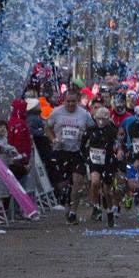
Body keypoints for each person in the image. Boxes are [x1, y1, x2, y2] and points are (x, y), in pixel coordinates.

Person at [46, 89, 94, 225]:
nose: (71, 104)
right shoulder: (56, 112)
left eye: (73, 101)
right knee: (64, 185)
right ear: (63, 100)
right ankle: (67, 201)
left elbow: (92, 130)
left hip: (77, 152)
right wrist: (54, 139)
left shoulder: (84, 114)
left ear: (78, 101)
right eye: (68, 101)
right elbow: (47, 127)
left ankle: (73, 212)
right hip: (60, 151)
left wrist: (85, 138)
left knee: (77, 182)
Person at [81, 107, 120, 227]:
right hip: (94, 161)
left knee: (107, 190)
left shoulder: (112, 130)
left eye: (104, 119)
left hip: (108, 162)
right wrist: (87, 156)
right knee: (95, 182)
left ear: (108, 119)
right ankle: (96, 206)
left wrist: (118, 152)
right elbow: (83, 144)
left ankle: (109, 211)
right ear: (95, 118)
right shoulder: (91, 129)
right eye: (99, 119)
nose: (101, 121)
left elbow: (118, 144)